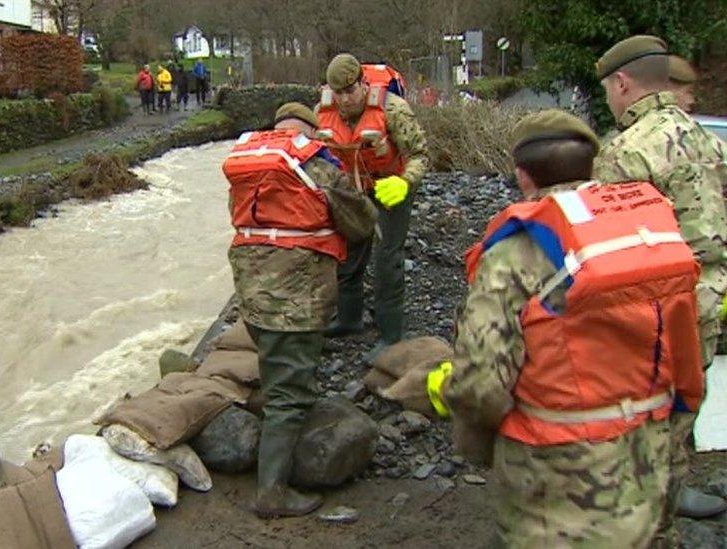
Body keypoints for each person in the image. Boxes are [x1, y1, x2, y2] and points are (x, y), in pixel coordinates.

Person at [414, 109, 705, 546]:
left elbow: (481, 382)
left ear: (522, 176)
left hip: (557, 471)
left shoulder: (516, 251)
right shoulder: (647, 233)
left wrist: (470, 432)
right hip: (645, 452)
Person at [592, 35, 727, 540]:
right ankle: (672, 497)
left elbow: (613, 248)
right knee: (688, 401)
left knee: (643, 413)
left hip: (655, 308)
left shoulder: (626, 152)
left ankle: (643, 517)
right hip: (710, 297)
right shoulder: (707, 139)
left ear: (623, 84)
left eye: (608, 88)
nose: (608, 97)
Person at [222, 103, 377, 518]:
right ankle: (272, 493)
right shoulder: (314, 160)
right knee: (288, 392)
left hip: (251, 289)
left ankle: (284, 414)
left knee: (279, 364)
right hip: (295, 292)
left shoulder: (251, 162)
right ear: (310, 130)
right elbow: (358, 222)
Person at [315, 54, 429, 363]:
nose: (345, 99)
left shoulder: (393, 109)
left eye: (350, 91)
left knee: (387, 258)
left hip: (392, 187)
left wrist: (405, 182)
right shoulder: (322, 113)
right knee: (349, 253)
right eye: (338, 93)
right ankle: (349, 318)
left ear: (363, 85)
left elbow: (420, 154)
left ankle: (392, 334)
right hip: (353, 190)